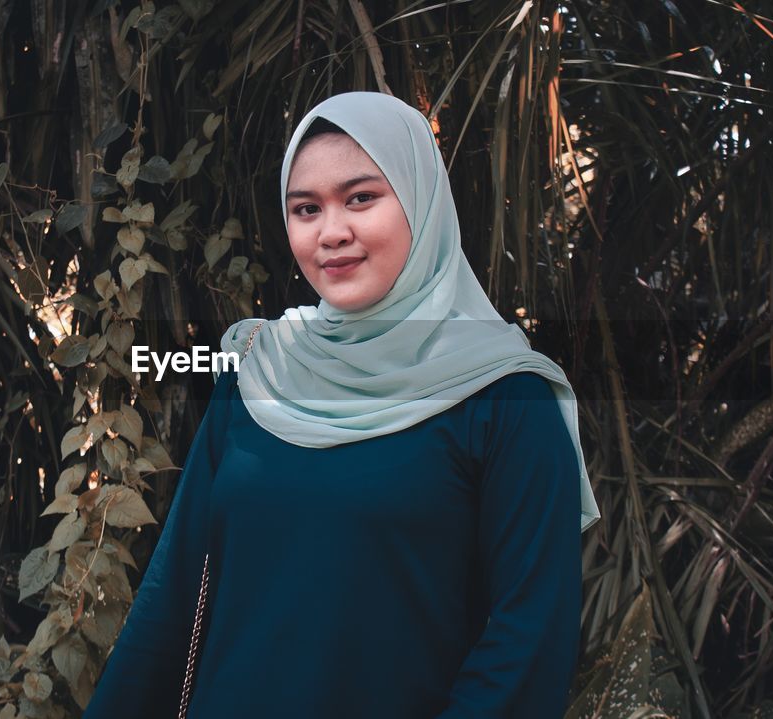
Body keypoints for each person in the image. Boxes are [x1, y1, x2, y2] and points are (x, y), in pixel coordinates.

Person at [82, 91, 601, 718]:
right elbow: (175, 590)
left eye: (360, 198)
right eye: (306, 208)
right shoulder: (257, 372)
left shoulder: (506, 397)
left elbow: (528, 640)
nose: (332, 232)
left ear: (421, 202)